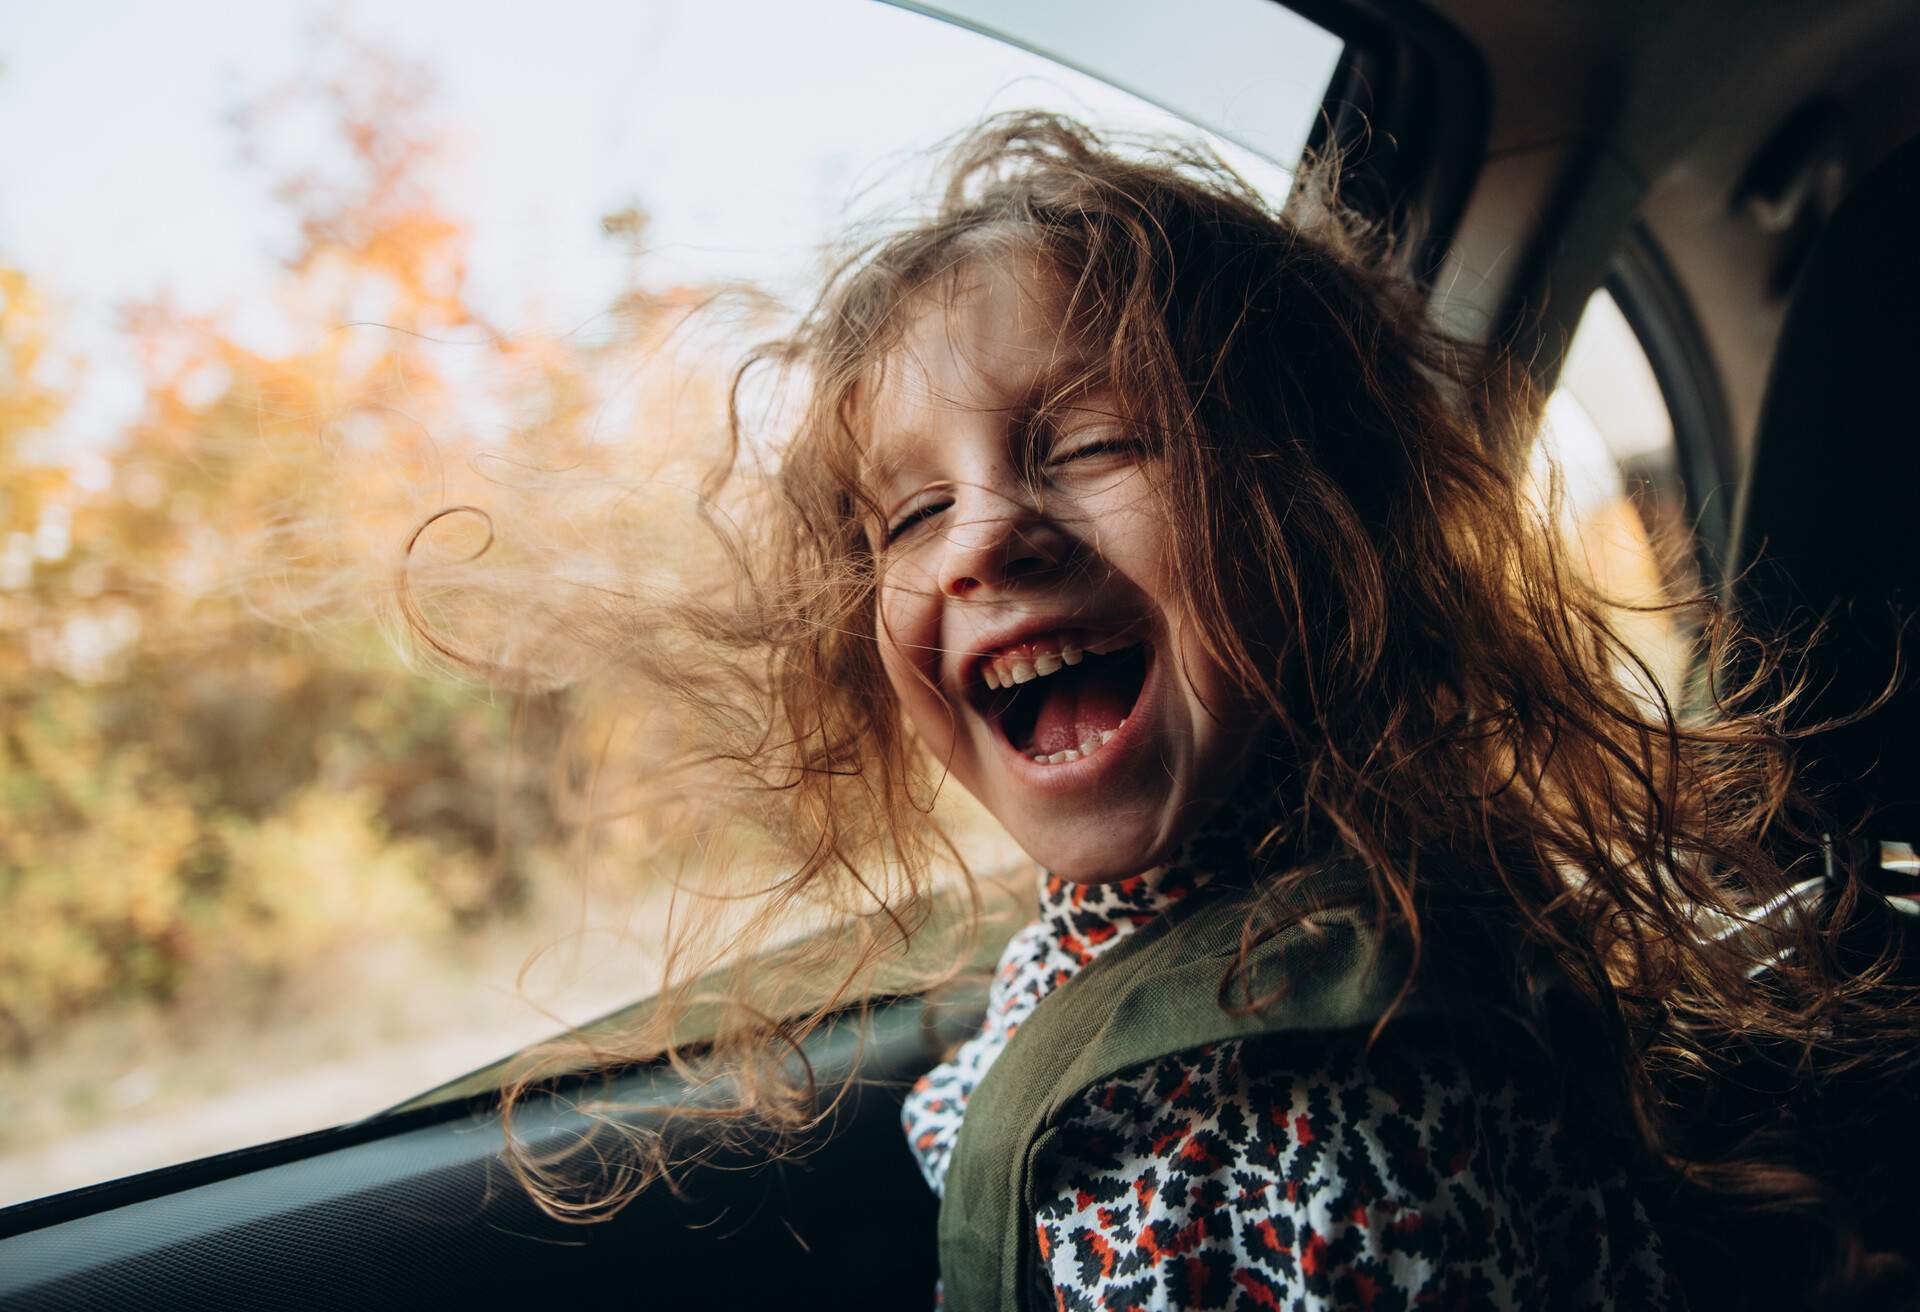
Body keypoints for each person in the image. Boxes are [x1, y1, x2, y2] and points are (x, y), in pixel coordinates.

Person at [477, 113, 1917, 1308]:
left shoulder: (1302, 1121)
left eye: (1093, 442)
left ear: (1330, 522)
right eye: (911, 513)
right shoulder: (1264, 916)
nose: (982, 537)